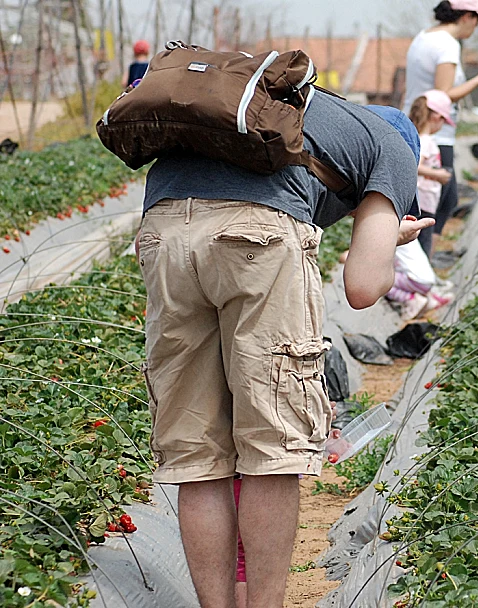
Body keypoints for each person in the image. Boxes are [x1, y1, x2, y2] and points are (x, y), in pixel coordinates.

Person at [136, 88, 432, 608]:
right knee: (273, 445)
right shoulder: (395, 148)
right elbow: (362, 288)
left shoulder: (305, 110)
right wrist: (391, 243)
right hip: (254, 233)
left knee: (197, 452)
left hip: (163, 229)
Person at [403, 0, 478, 241]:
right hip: (436, 129)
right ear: (466, 17)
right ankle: (421, 266)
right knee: (439, 201)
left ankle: (422, 263)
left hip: (416, 124)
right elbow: (443, 93)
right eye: (477, 21)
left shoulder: (423, 37)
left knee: (434, 200)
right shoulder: (447, 45)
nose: (475, 27)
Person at [408, 90, 455, 257]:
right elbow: (415, 166)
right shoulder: (425, 141)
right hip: (423, 203)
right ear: (436, 117)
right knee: (421, 250)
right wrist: (439, 175)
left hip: (426, 202)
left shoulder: (420, 139)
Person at [387, 239, 454, 320]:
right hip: (428, 281)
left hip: (415, 280)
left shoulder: (394, 239)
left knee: (382, 281)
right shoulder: (410, 237)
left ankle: (409, 299)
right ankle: (432, 298)